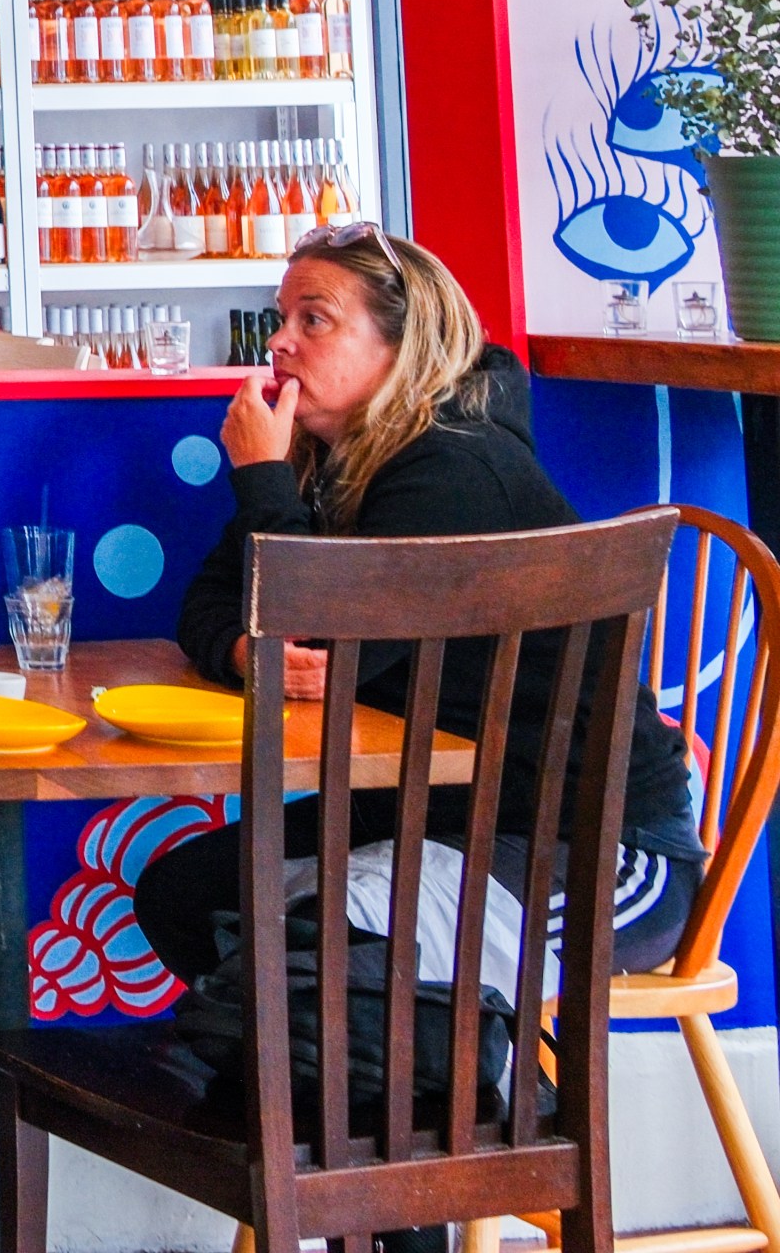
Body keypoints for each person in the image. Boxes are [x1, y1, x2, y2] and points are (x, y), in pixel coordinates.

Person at [135, 218, 704, 994]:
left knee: (328, 947)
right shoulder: (326, 461)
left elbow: (326, 645)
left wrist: (262, 484)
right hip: (437, 809)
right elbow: (208, 602)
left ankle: (460, 1105)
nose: (278, 343)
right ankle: (321, 1102)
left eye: (315, 320)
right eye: (281, 317)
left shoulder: (455, 467)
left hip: (587, 839)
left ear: (401, 347)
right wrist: (244, 649)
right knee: (190, 894)